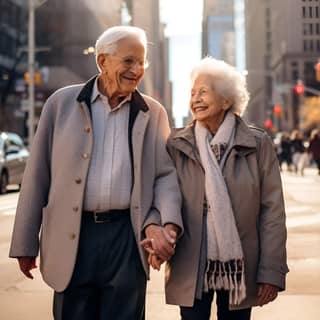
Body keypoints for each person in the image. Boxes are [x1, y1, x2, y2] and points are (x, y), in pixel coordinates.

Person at [9, 26, 183, 320]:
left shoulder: (153, 113)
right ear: (103, 61)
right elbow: (37, 176)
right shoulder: (60, 104)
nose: (137, 70)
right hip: (73, 236)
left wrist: (166, 224)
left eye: (142, 62)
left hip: (126, 237)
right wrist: (25, 243)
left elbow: (165, 176)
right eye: (128, 61)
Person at [148, 57, 289, 320]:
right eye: (192, 93)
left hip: (241, 265)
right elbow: (161, 194)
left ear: (226, 101)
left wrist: (271, 270)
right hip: (190, 259)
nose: (196, 99)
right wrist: (158, 237)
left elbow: (272, 212)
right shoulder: (176, 144)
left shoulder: (257, 144)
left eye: (203, 92)